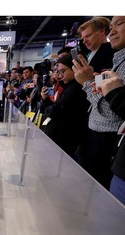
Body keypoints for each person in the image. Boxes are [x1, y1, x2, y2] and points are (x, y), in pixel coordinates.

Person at [73, 16, 121, 190]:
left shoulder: (111, 54)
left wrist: (87, 82)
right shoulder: (90, 55)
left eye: (89, 36)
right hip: (91, 124)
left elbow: (107, 99)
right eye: (83, 38)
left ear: (102, 33)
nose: (85, 41)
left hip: (106, 132)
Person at [93, 16, 125, 203]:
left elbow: (109, 112)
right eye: (111, 26)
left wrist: (114, 93)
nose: (111, 32)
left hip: (107, 140)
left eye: (119, 24)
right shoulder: (116, 61)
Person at [41, 54, 90, 160]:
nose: (58, 75)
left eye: (62, 71)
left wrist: (49, 106)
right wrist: (46, 100)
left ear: (74, 68)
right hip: (60, 136)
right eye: (57, 71)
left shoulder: (76, 89)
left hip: (67, 139)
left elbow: (55, 110)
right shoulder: (66, 87)